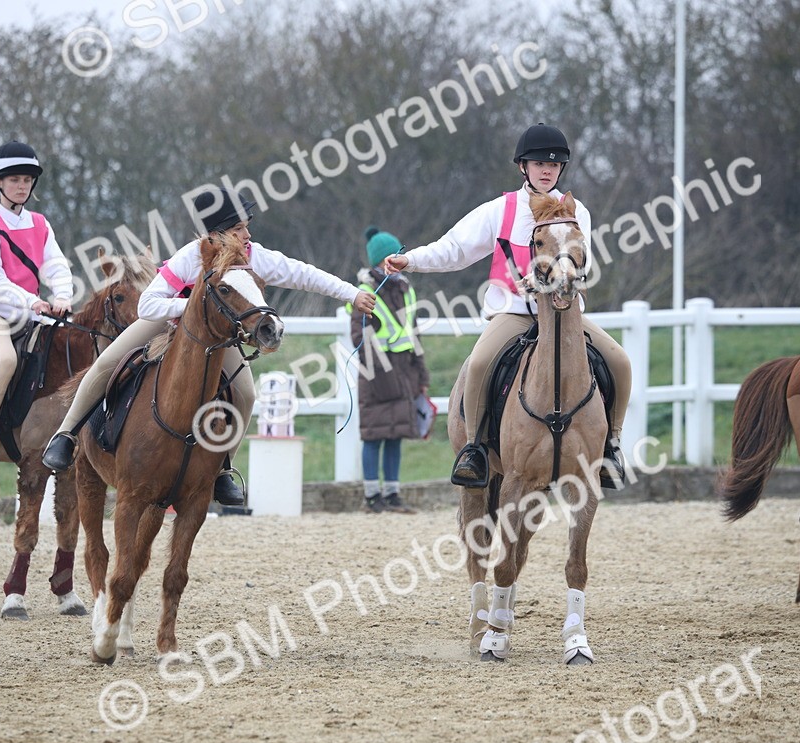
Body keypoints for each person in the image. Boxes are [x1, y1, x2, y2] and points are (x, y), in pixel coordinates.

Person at [42, 187, 378, 505]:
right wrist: (190, 309)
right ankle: (66, 434)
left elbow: (305, 275)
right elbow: (147, 305)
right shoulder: (189, 257)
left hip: (213, 335)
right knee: (105, 365)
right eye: (238, 228)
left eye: (246, 227)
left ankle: (222, 467)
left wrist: (353, 294)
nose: (247, 235)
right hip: (167, 321)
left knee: (245, 394)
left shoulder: (254, 256)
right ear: (216, 234)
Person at [382, 123, 632, 489]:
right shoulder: (500, 210)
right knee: (481, 363)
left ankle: (611, 447)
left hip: (564, 314)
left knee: (620, 362)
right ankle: (474, 449)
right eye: (538, 164)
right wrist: (412, 261)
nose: (547, 170)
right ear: (523, 167)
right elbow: (455, 248)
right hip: (513, 312)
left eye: (554, 165)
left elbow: (583, 262)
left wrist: (553, 279)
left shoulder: (576, 212)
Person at [0, 141, 73, 472]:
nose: (21, 185)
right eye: (14, 180)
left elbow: (55, 265)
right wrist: (32, 301)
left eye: (26, 180)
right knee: (7, 358)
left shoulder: (40, 223)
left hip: (32, 309)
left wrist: (63, 295)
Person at [350, 226, 430, 513]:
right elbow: (361, 338)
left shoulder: (406, 289)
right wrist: (385, 379)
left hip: (405, 371)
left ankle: (393, 494)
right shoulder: (365, 292)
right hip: (378, 375)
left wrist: (422, 376)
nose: (397, 263)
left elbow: (414, 334)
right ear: (379, 261)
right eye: (392, 258)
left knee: (396, 434)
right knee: (374, 434)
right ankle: (372, 496)